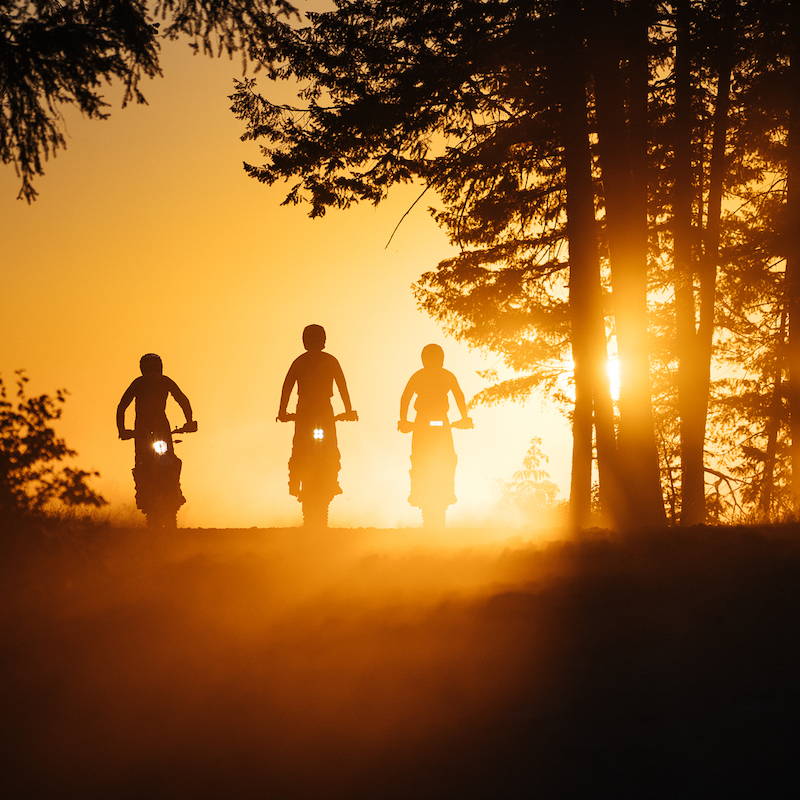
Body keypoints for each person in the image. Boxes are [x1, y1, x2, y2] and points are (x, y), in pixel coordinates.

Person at [278, 325, 357, 500]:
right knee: (326, 447)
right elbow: (343, 387)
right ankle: (325, 480)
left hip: (306, 410)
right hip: (321, 408)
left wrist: (283, 412)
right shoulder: (330, 360)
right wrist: (348, 411)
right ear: (324, 340)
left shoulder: (300, 361)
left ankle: (295, 481)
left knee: (301, 446)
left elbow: (287, 388)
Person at [398, 344, 472, 525]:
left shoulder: (442, 376)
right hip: (423, 422)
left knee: (449, 458)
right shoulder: (425, 376)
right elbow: (405, 397)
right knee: (418, 458)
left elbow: (459, 396)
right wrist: (403, 420)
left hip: (435, 422)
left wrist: (464, 418)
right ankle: (417, 490)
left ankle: (447, 489)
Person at [116, 353, 195, 515]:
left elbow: (182, 400)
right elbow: (122, 406)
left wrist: (189, 421)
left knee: (171, 459)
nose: (152, 373)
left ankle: (174, 489)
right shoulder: (149, 382)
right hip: (145, 430)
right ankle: (144, 492)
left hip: (156, 429)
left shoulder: (155, 382)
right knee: (143, 462)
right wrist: (122, 430)